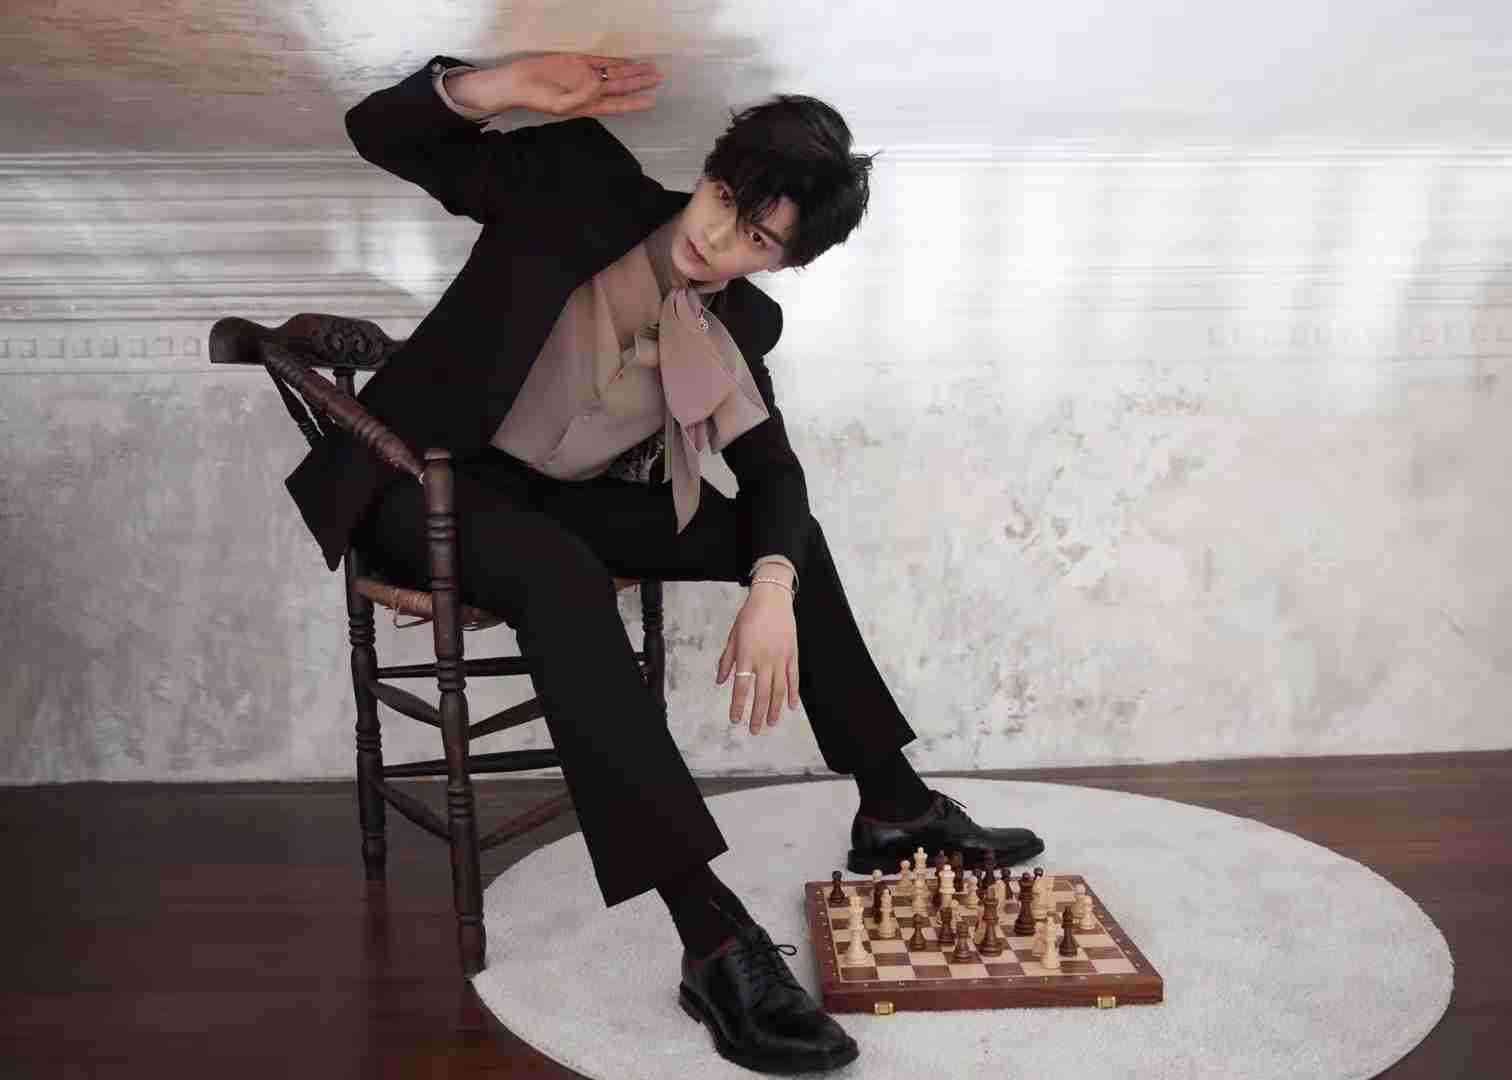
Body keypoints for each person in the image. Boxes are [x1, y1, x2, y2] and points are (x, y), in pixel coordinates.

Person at [292, 50, 1047, 1075]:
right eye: (727, 200)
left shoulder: (742, 321)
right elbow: (377, 133)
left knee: (775, 537)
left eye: (760, 239)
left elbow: (773, 474)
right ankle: (714, 940)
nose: (720, 238)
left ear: (785, 261)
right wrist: (500, 88)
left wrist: (771, 585)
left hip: (548, 502)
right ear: (711, 170)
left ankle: (893, 805)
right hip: (415, 481)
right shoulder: (577, 178)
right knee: (558, 573)